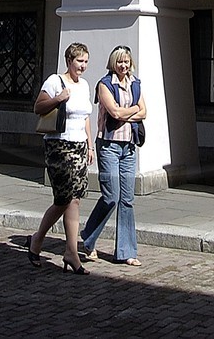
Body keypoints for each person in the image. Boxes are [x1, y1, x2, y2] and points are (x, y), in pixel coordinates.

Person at [77, 46, 148, 265]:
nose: (123, 66)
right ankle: (88, 237)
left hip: (129, 147)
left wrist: (129, 112)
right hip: (108, 146)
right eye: (119, 62)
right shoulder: (105, 85)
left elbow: (144, 111)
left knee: (127, 200)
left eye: (126, 61)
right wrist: (132, 111)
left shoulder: (135, 84)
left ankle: (126, 252)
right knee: (111, 197)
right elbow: (114, 112)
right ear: (113, 63)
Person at [28, 42, 95, 273]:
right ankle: (43, 242)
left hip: (78, 145)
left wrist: (89, 143)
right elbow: (39, 107)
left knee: (75, 199)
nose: (83, 66)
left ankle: (67, 250)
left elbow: (86, 116)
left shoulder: (85, 85)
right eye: (79, 61)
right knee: (64, 199)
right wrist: (59, 99)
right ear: (69, 61)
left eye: (86, 61)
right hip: (58, 145)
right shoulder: (55, 81)